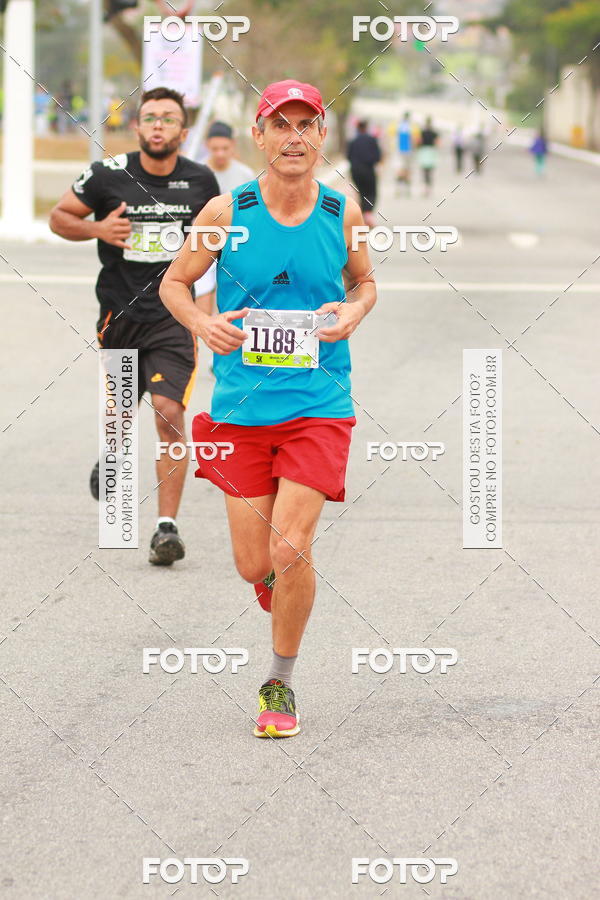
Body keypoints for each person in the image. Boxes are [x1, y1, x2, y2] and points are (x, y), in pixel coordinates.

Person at [159, 79, 377, 738]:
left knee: (291, 547)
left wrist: (355, 310)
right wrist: (202, 322)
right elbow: (172, 282)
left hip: (318, 404)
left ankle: (279, 681)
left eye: (306, 126)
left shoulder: (342, 211)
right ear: (259, 136)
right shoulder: (228, 214)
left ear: (322, 136)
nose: (294, 138)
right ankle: (277, 589)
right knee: (255, 564)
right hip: (240, 413)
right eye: (280, 126)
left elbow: (365, 281)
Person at [49, 87, 220, 566]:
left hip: (173, 316)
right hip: (118, 314)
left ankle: (167, 528)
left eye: (168, 118)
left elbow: (222, 243)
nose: (158, 125)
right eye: (150, 118)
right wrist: (97, 229)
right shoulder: (106, 174)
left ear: (183, 132)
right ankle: (112, 452)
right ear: (137, 127)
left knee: (169, 412)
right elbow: (59, 217)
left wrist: (209, 308)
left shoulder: (202, 181)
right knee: (121, 414)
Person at [194, 121, 255, 319]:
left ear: (233, 145)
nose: (220, 153)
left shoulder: (245, 174)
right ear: (207, 146)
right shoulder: (197, 172)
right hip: (204, 241)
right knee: (202, 302)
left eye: (224, 148)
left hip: (236, 244)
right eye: (215, 149)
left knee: (234, 303)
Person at [346, 119, 381, 227]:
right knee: (371, 192)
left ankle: (363, 216)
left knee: (361, 193)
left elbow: (348, 156)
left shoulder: (352, 141)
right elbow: (377, 156)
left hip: (355, 171)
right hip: (368, 170)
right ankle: (368, 214)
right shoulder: (372, 140)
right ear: (366, 127)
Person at [417, 116, 439, 196]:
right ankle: (429, 188)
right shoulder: (434, 133)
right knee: (430, 171)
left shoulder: (422, 132)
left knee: (424, 170)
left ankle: (425, 188)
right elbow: (437, 143)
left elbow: (419, 141)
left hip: (424, 151)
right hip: (431, 151)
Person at [396, 111, 413, 193]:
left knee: (401, 170)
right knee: (407, 170)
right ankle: (406, 189)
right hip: (407, 150)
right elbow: (411, 139)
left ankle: (399, 188)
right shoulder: (409, 127)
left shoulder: (400, 126)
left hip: (400, 150)